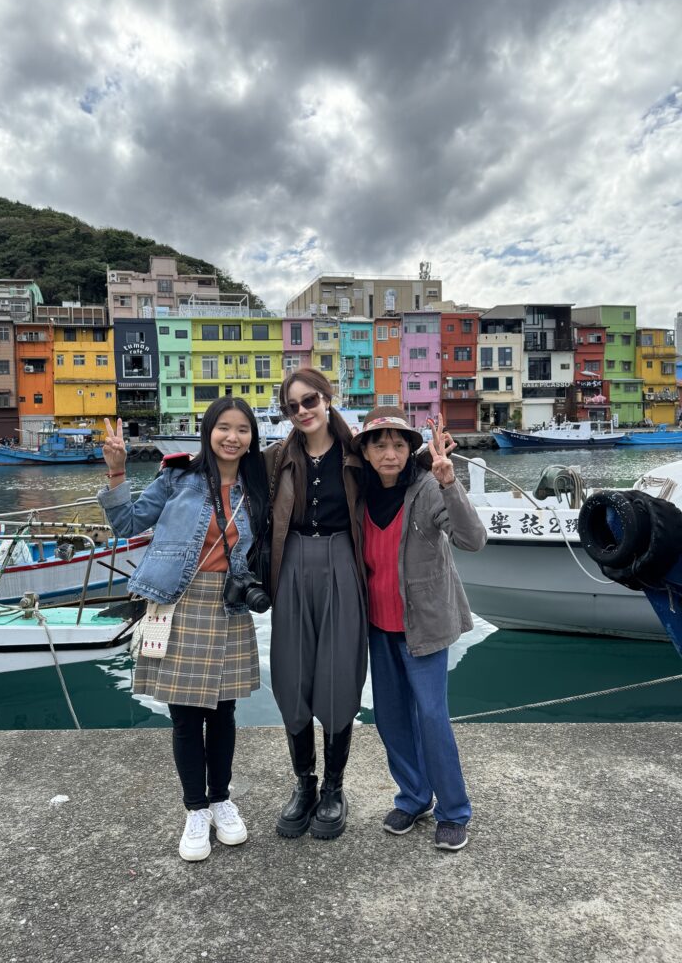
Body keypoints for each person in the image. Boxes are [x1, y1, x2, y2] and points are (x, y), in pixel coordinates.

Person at [98, 397, 269, 862]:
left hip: (229, 605)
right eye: (224, 427)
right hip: (176, 600)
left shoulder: (258, 486)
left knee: (224, 712)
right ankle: (195, 808)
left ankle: (221, 800)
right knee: (186, 717)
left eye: (243, 429)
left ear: (252, 438)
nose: (233, 437)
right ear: (208, 431)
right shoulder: (177, 477)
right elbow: (127, 523)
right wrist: (116, 471)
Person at [351, 408, 486, 852]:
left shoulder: (427, 487)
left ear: (411, 450)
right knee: (390, 719)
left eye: (398, 445)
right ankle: (413, 797)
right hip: (378, 626)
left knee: (431, 717)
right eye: (379, 445)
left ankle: (454, 810)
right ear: (365, 452)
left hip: (423, 626)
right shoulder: (359, 494)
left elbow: (472, 540)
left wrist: (450, 483)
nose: (389, 454)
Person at [264, 367, 367, 840]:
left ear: (328, 398)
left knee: (339, 672)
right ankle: (304, 784)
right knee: (292, 673)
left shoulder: (359, 453)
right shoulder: (276, 458)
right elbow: (223, 471)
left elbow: (401, 470)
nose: (302, 411)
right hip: (292, 562)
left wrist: (434, 464)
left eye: (310, 400)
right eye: (293, 406)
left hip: (343, 559)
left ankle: (334, 787)